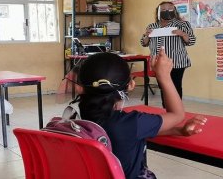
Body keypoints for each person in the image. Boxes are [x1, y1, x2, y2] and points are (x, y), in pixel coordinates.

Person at [75, 47, 206, 178]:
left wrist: (178, 131)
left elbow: (131, 133)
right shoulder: (133, 122)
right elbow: (177, 115)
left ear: (79, 88)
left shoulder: (79, 122)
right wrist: (164, 76)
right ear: (131, 85)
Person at [141, 1, 196, 107]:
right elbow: (143, 43)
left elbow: (192, 41)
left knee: (175, 86)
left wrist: (183, 34)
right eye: (163, 10)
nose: (167, 11)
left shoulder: (183, 24)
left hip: (176, 62)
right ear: (158, 12)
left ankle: (177, 110)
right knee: (163, 87)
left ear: (175, 11)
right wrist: (147, 36)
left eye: (170, 9)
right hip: (158, 63)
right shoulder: (152, 26)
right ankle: (166, 109)